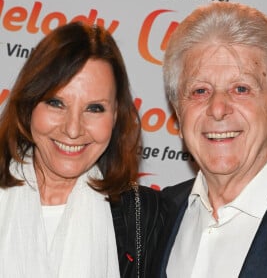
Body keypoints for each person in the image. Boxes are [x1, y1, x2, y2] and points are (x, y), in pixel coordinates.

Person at [0, 21, 163, 278]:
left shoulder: (144, 216)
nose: (73, 129)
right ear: (29, 105)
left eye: (94, 108)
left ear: (116, 117)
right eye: (56, 103)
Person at [155, 2, 267, 277]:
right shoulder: (154, 218)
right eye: (200, 90)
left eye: (241, 88)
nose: (218, 108)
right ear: (178, 111)